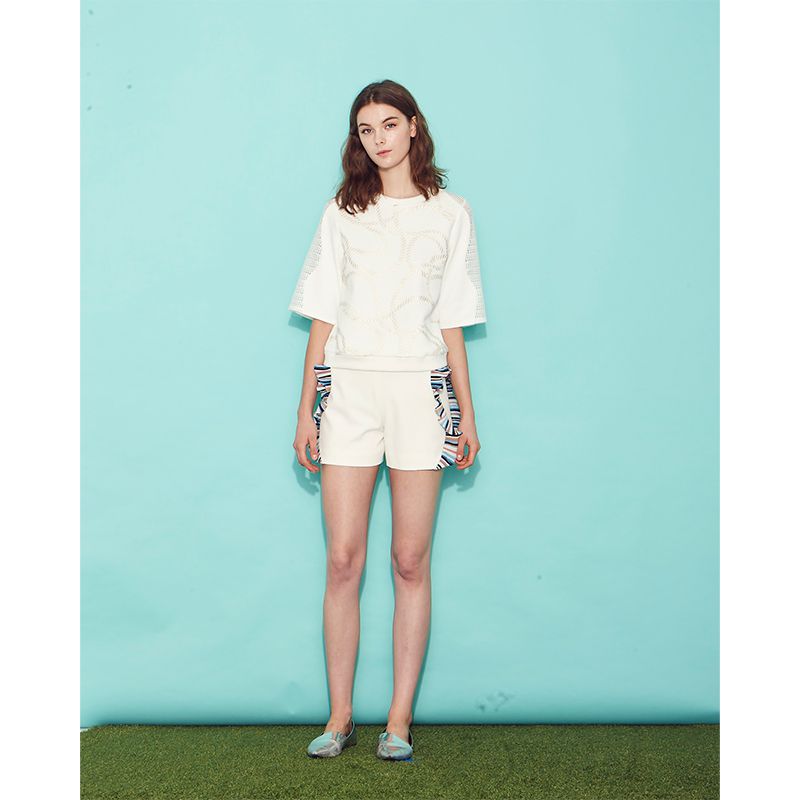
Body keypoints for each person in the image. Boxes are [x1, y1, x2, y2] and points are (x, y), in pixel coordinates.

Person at [289, 79, 487, 761]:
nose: (378, 139)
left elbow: (453, 322)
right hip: (348, 391)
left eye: (389, 125)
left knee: (409, 560)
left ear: (413, 127)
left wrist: (465, 414)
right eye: (365, 129)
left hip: (421, 394)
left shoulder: (451, 213)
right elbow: (322, 317)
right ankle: (339, 715)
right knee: (343, 559)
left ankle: (399, 720)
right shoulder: (342, 213)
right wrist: (307, 409)